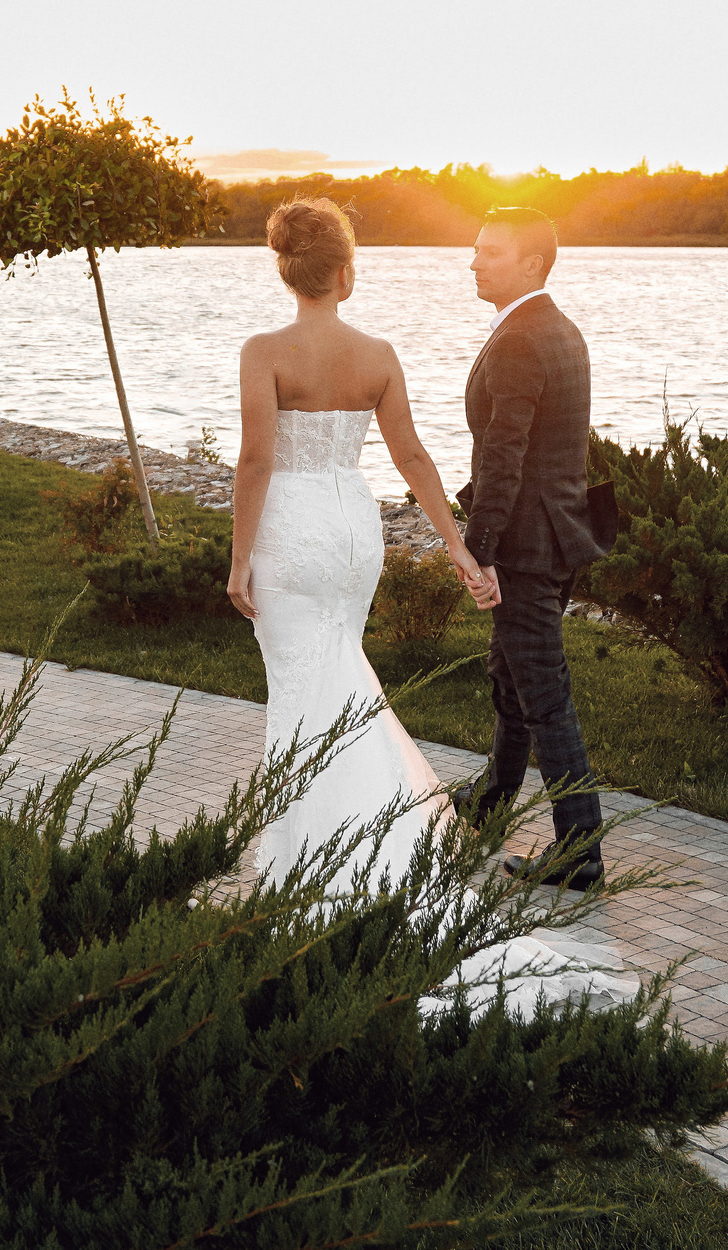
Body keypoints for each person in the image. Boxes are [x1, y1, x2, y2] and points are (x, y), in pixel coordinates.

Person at [226, 197, 630, 1013]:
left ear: (285, 269)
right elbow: (411, 453)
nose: (473, 260)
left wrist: (239, 559)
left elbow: (257, 462)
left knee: (319, 687)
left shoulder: (264, 351)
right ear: (345, 270)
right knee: (373, 676)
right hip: (355, 536)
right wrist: (455, 545)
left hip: (301, 537)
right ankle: (440, 818)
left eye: (488, 250)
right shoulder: (386, 353)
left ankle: (318, 854)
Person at [452, 205, 613, 891]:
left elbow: (505, 457)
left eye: (490, 252)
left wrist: (480, 547)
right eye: (476, 249)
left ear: (532, 263)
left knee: (544, 694)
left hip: (524, 544)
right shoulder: (560, 328)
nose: (474, 261)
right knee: (512, 675)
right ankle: (492, 801)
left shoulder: (521, 340)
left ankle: (580, 851)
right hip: (559, 533)